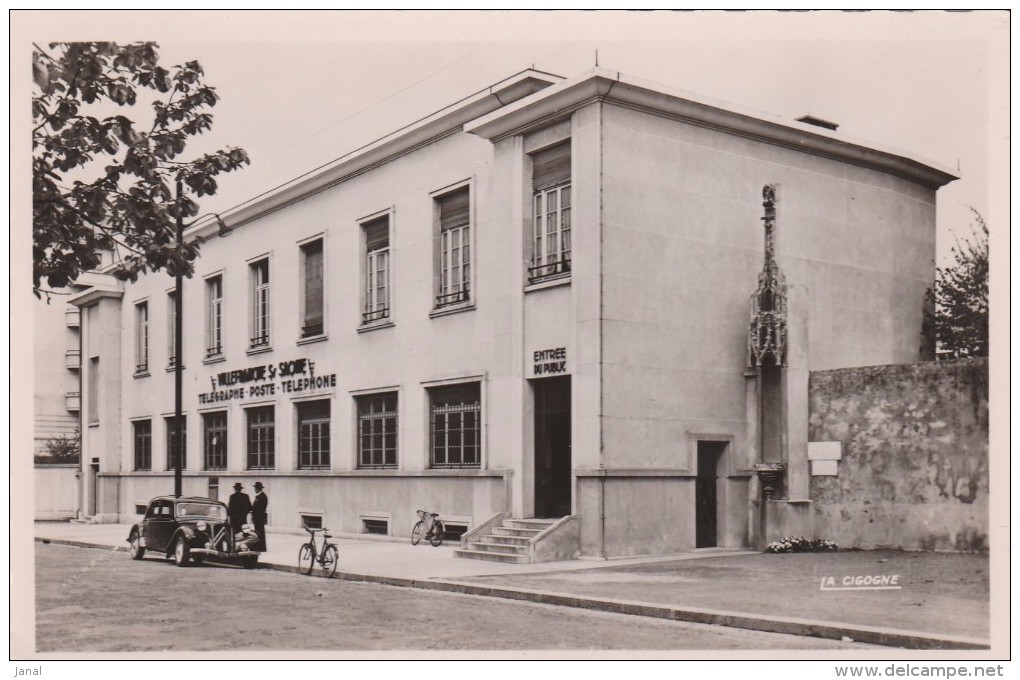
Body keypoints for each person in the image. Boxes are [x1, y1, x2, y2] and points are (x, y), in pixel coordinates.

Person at [252, 481, 269, 551]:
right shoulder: (259, 496)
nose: (254, 489)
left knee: (260, 532)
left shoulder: (262, 497)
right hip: (257, 517)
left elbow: (260, 508)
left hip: (259, 517)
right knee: (258, 531)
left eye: (255, 488)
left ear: (258, 488)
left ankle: (261, 547)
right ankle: (260, 546)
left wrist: (255, 512)